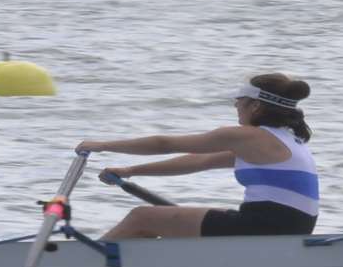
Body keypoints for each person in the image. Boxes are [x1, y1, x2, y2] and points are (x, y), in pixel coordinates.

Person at [80, 73, 318, 239]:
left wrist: (102, 145)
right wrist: (131, 171)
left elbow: (166, 143)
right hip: (291, 226)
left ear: (255, 106)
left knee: (141, 216)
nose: (235, 104)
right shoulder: (287, 139)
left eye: (239, 100)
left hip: (267, 225)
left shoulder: (247, 137)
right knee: (161, 221)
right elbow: (199, 160)